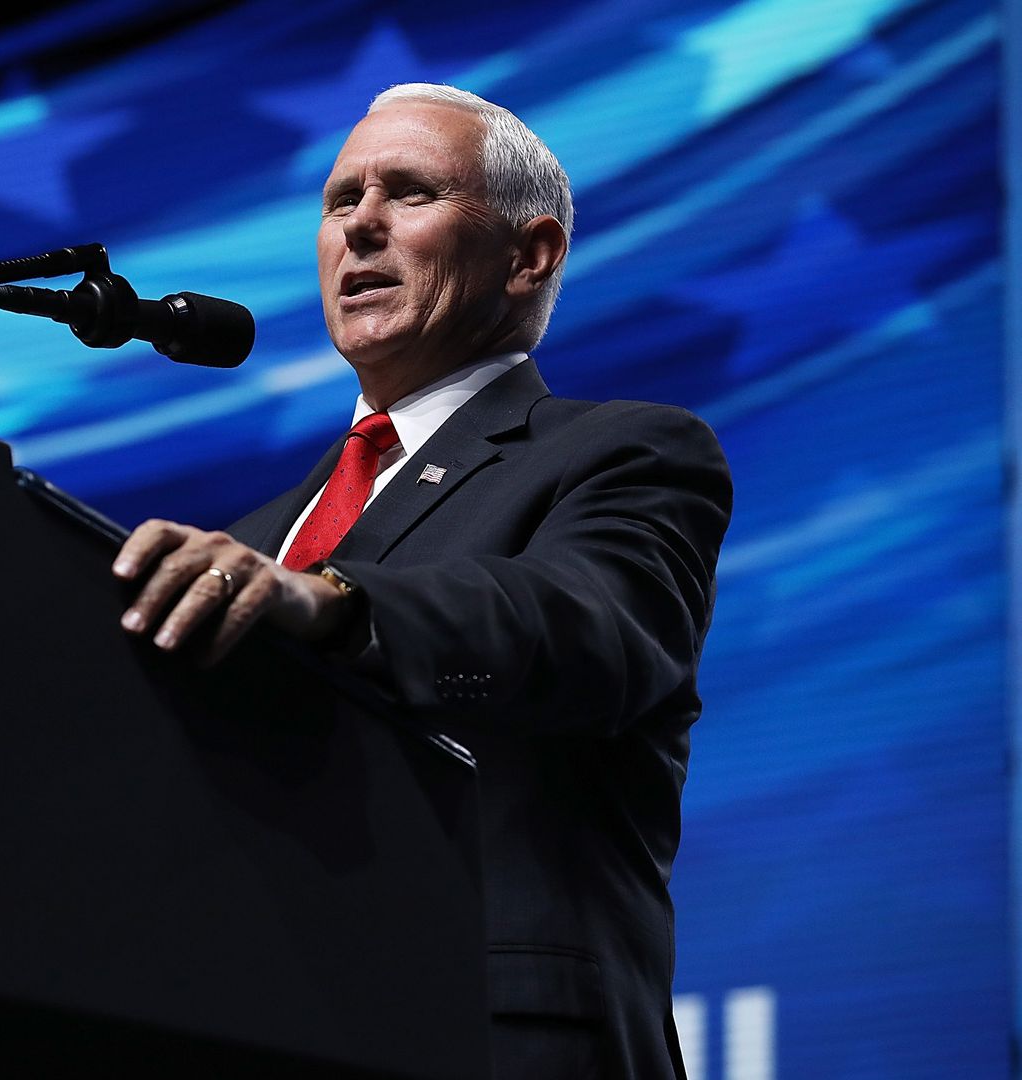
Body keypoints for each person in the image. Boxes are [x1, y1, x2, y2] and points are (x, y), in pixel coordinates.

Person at [111, 83, 731, 1079]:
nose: (359, 225)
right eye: (340, 200)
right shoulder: (255, 540)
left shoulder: (622, 452)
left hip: (491, 1037)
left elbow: (590, 632)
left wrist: (332, 604)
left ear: (530, 255)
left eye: (409, 193)